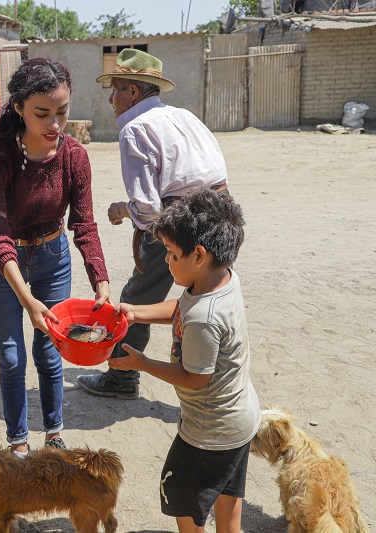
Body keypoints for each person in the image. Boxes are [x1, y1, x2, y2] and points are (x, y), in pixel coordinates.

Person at [0, 58, 112, 457]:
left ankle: (53, 433)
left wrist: (100, 279)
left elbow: (84, 224)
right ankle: (18, 441)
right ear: (18, 109)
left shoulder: (75, 157)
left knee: (50, 350)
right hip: (4, 263)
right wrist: (27, 301)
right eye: (42, 114)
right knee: (11, 358)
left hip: (52, 256)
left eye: (62, 112)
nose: (54, 124)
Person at [78, 49, 229, 400]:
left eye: (115, 89)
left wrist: (122, 208)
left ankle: (122, 378)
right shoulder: (184, 116)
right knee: (211, 297)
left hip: (182, 223)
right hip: (222, 216)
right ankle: (215, 379)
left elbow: (148, 210)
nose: (111, 98)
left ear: (133, 92)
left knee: (137, 299)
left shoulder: (134, 130)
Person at [108, 188, 261, 533]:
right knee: (228, 511)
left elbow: (194, 378)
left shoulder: (206, 316)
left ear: (199, 255)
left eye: (171, 254)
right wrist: (136, 313)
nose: (166, 260)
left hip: (209, 431)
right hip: (239, 419)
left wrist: (142, 364)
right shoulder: (218, 279)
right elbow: (181, 309)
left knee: (185, 504)